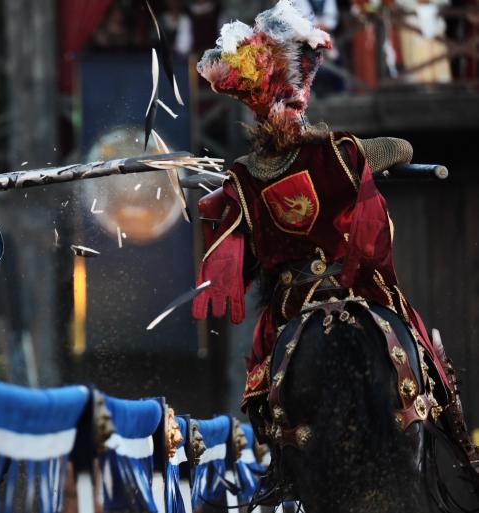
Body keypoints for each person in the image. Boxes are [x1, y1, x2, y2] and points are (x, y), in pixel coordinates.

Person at [191, 0, 477, 471]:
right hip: (355, 287)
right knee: (425, 347)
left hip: (291, 304)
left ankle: (279, 466)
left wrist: (227, 198)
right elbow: (401, 147)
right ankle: (459, 442)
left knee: (265, 373)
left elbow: (247, 261)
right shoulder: (340, 153)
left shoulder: (242, 177)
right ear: (300, 98)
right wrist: (368, 157)